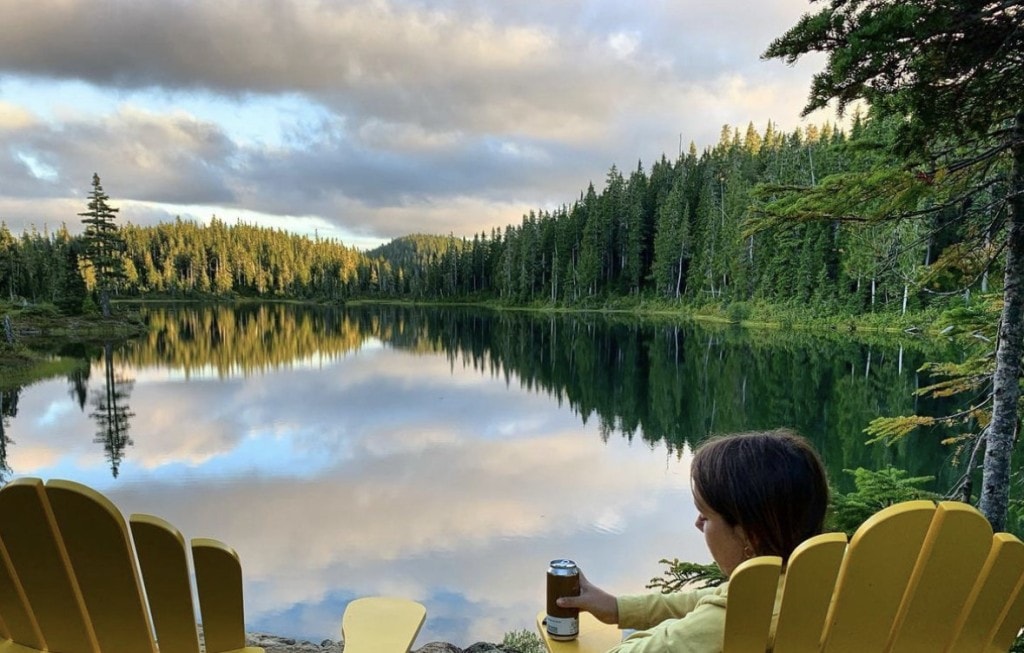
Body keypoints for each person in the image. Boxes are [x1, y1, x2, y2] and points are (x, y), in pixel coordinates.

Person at [556, 428, 829, 652]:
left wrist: (639, 636)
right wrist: (617, 608)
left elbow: (670, 642)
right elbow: (710, 598)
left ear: (750, 536)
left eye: (706, 515)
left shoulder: (740, 618)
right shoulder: (808, 581)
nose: (697, 524)